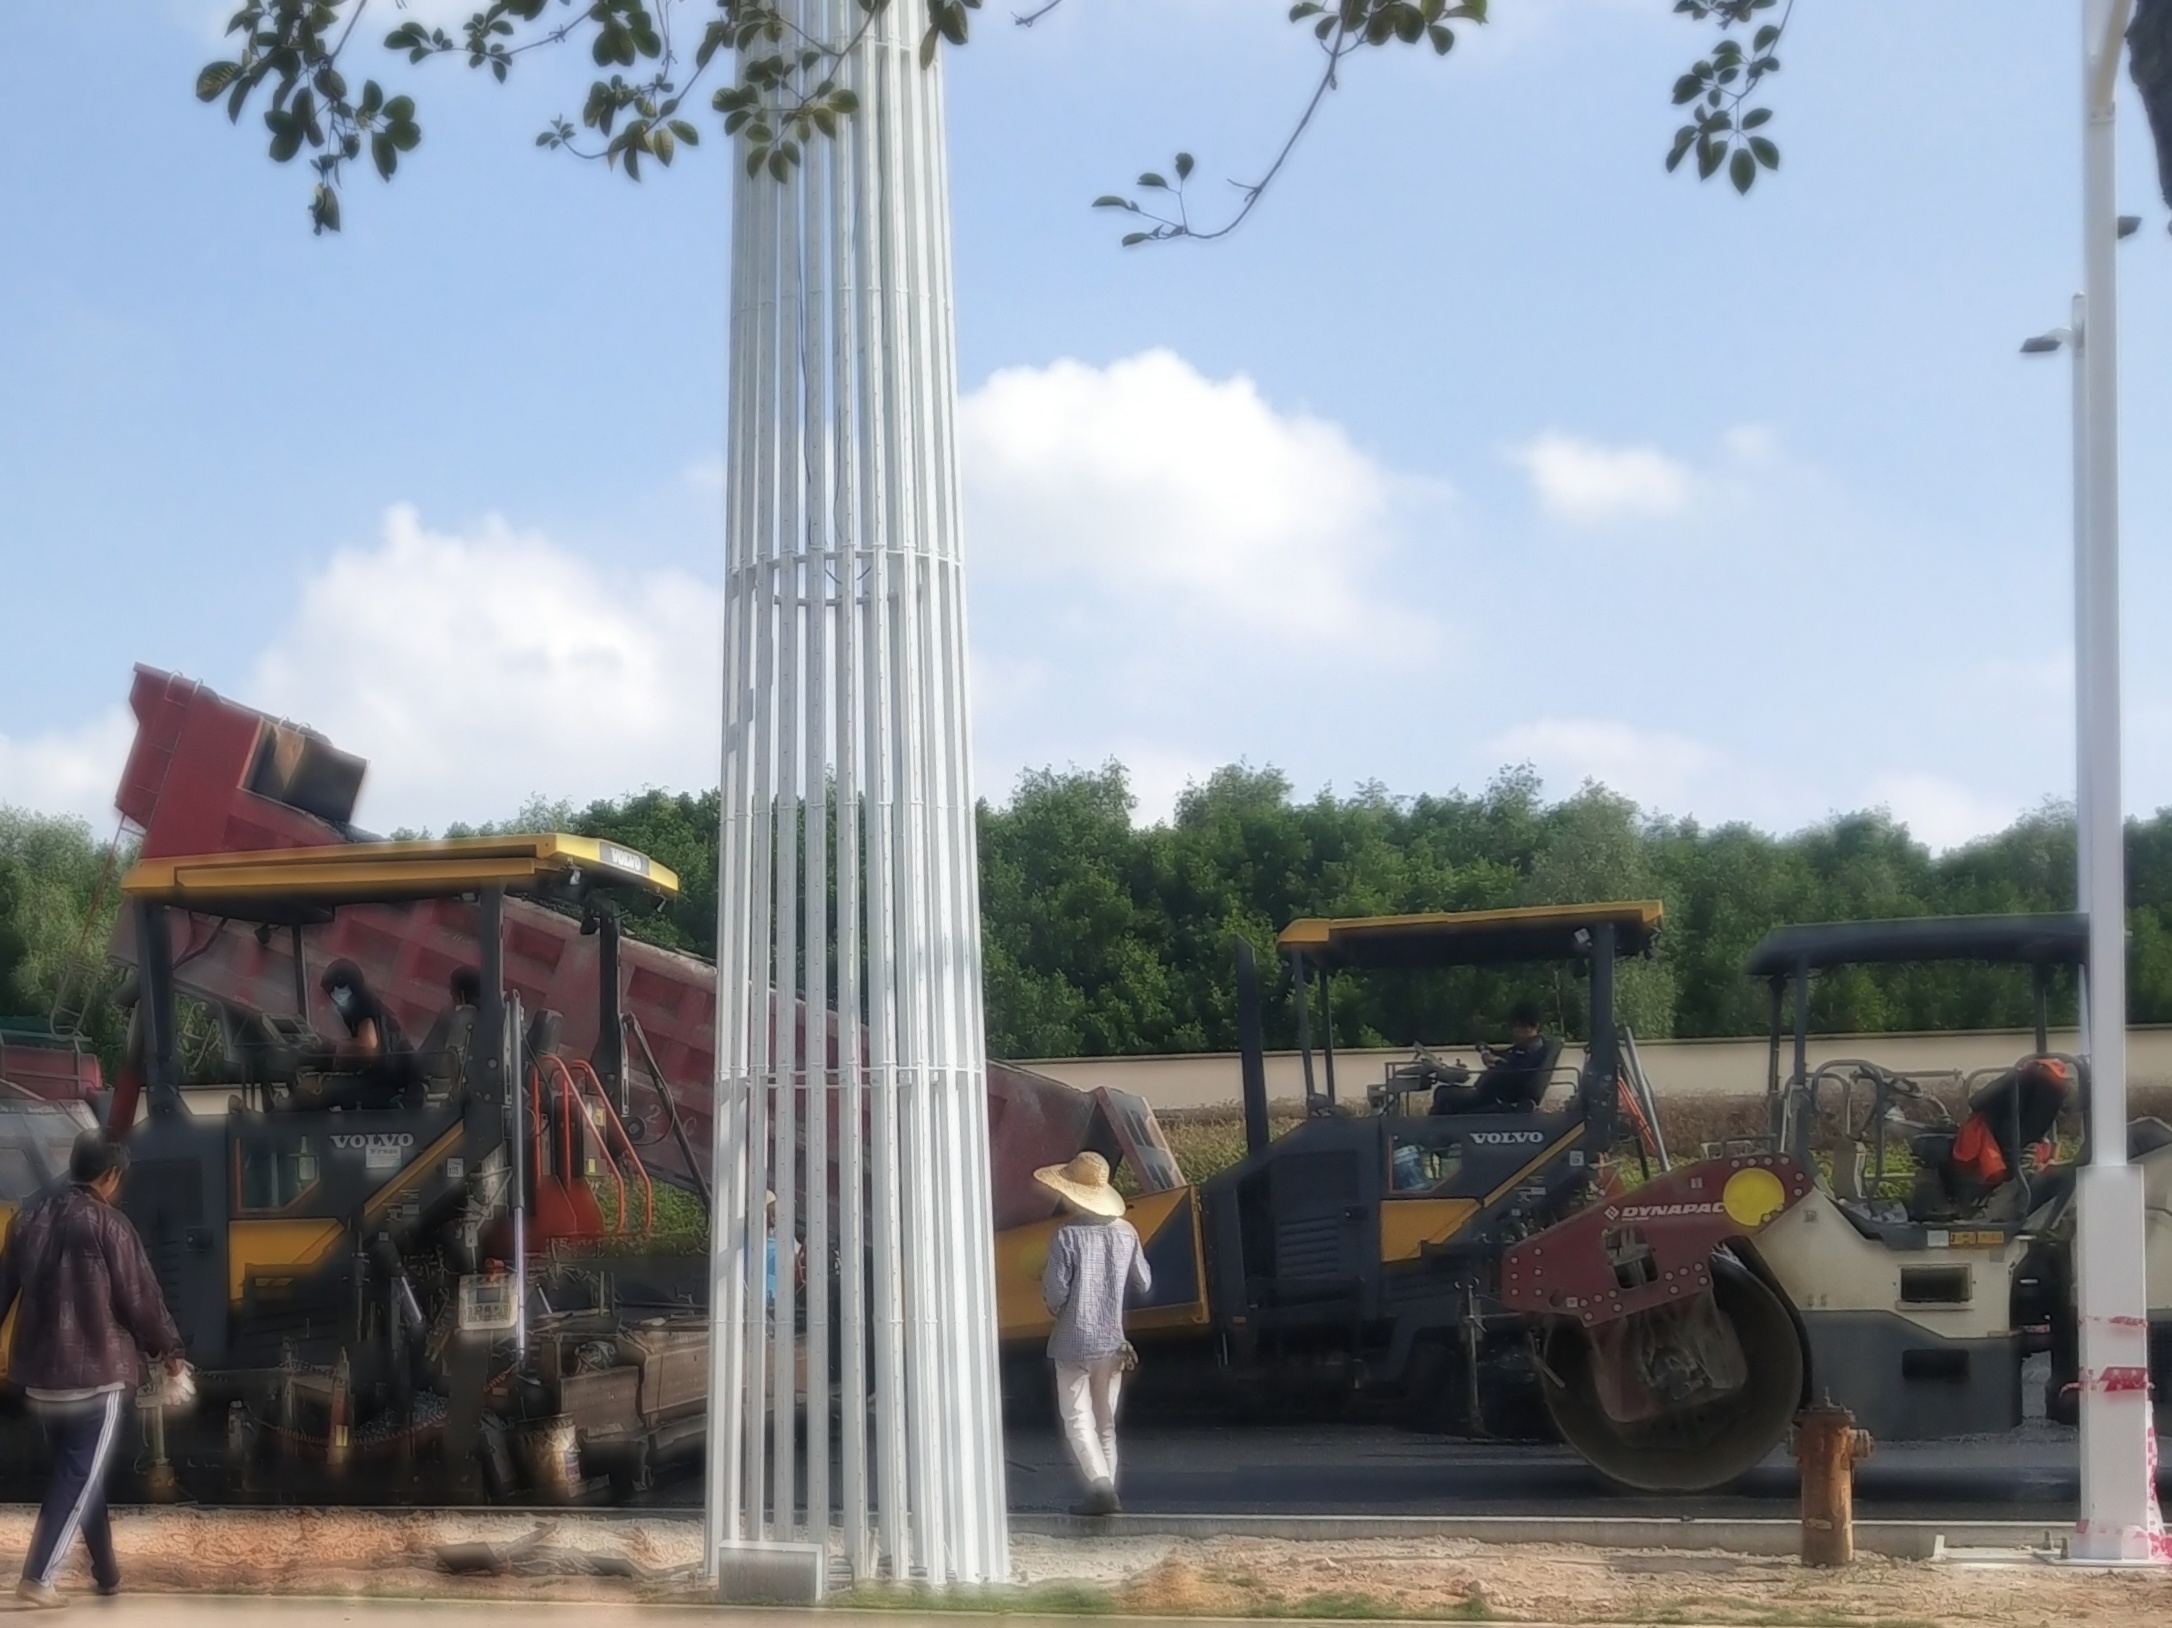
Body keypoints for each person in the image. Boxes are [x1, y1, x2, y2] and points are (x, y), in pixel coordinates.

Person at [0, 1131, 185, 1608]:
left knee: (81, 1472)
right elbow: (140, 1298)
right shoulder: (111, 1225)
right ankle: (38, 1575)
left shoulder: (27, 1220)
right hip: (96, 1375)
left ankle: (106, 1573)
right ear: (110, 1175)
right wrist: (170, 1351)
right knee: (79, 1473)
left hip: (40, 1378)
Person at [1035, 1151, 1150, 1518]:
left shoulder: (1066, 1236)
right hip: (1113, 1343)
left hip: (1073, 1342)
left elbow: (1056, 1295)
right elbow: (1144, 1282)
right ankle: (1107, 1496)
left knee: (1077, 1418)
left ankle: (1101, 1488)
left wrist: (1054, 1301)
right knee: (1105, 1423)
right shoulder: (1126, 1232)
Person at [311, 959, 420, 1109]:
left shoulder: (362, 1007)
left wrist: (338, 1048)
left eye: (334, 989)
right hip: (395, 1077)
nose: (332, 996)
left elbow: (368, 1045)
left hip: (386, 1081)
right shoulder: (372, 1006)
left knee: (317, 1090)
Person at [1430, 1000, 1555, 1116]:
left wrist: (1499, 1064)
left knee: (1444, 1095)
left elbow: (1517, 1076)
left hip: (1496, 1100)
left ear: (1536, 1027)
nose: (1517, 1032)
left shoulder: (1534, 1054)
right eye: (1516, 1027)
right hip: (1486, 1094)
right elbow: (1489, 1049)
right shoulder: (1521, 1049)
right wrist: (1485, 1052)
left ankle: (1435, 1130)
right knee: (1442, 1092)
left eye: (1522, 1028)